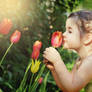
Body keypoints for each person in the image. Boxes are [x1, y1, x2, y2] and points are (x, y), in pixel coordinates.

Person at [43, 10, 92, 92]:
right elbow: (66, 88)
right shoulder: (79, 60)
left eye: (69, 31)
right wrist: (54, 69)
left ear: (87, 38)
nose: (64, 34)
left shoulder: (90, 62)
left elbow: (72, 87)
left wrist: (58, 61)